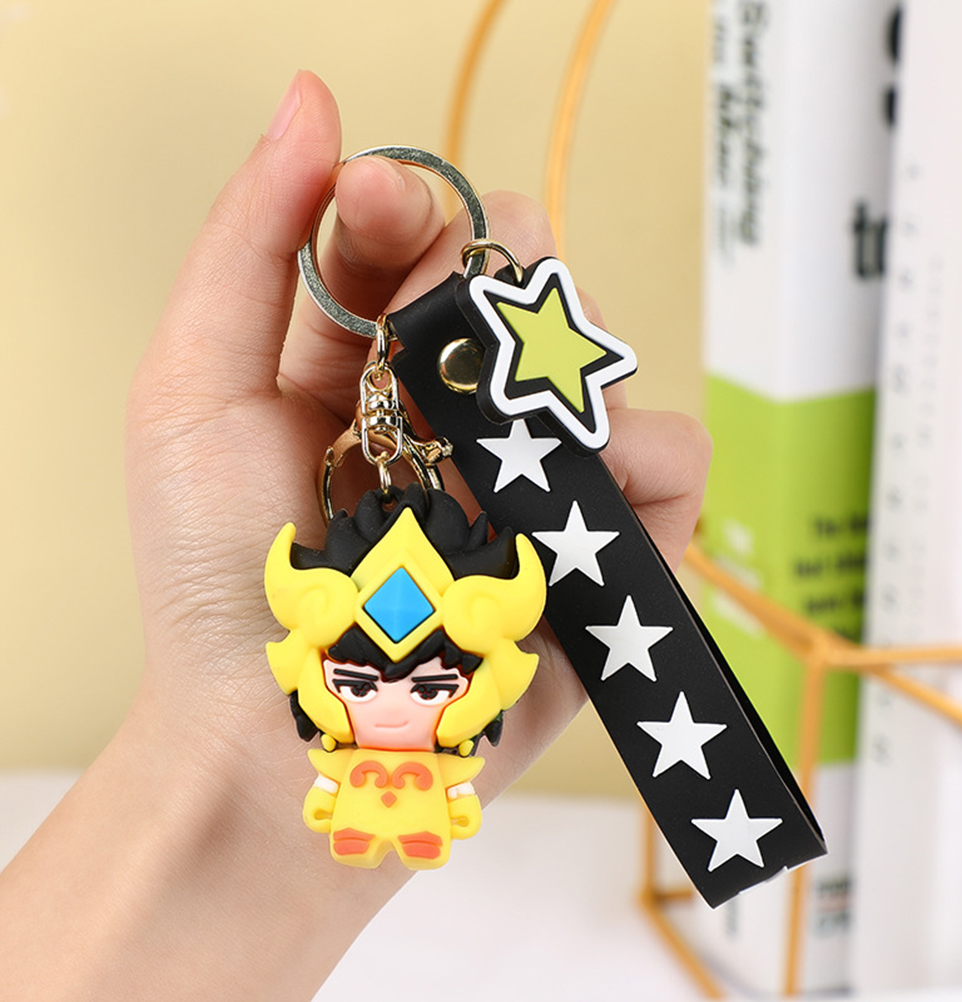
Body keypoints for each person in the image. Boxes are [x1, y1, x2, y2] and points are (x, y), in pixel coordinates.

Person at [0, 72, 710, 1000]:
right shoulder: (344, 742)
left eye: (432, 686)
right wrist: (232, 767)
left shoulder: (435, 736)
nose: (395, 710)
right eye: (361, 684)